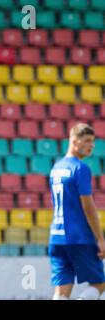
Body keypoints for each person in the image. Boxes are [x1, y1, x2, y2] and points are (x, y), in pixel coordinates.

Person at [49, 123, 105, 300]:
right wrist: (100, 238)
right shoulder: (80, 168)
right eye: (87, 140)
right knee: (99, 283)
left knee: (62, 291)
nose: (91, 145)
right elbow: (88, 207)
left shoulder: (56, 168)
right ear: (74, 141)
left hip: (57, 237)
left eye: (93, 141)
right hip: (78, 237)